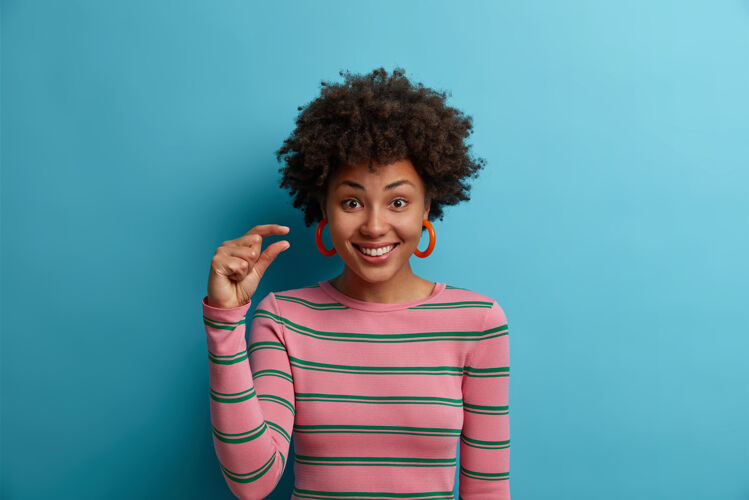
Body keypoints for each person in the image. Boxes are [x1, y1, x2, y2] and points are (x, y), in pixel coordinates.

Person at [202, 67, 510, 500]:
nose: (374, 225)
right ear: (324, 210)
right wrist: (225, 325)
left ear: (427, 207)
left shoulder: (477, 322)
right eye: (351, 202)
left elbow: (488, 490)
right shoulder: (282, 319)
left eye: (398, 201)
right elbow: (252, 482)